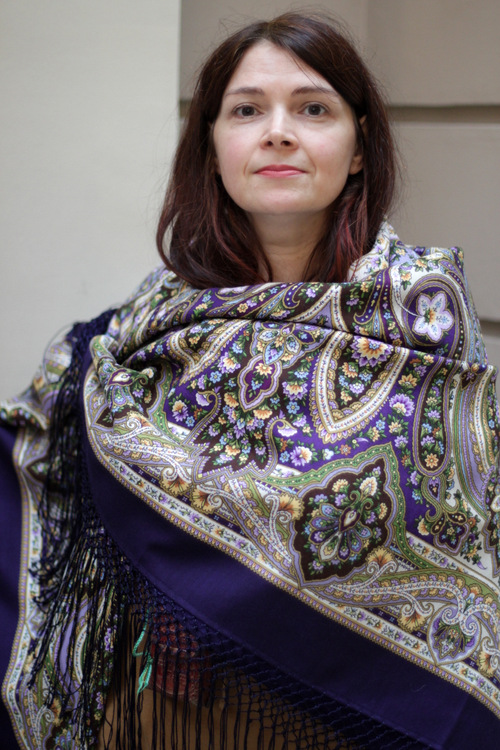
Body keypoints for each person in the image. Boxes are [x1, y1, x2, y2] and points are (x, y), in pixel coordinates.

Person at [1, 11, 499, 749]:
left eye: (313, 109)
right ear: (211, 147)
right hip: (169, 717)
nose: (278, 132)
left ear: (359, 147)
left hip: (352, 726)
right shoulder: (134, 339)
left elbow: (465, 547)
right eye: (246, 110)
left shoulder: (423, 327)